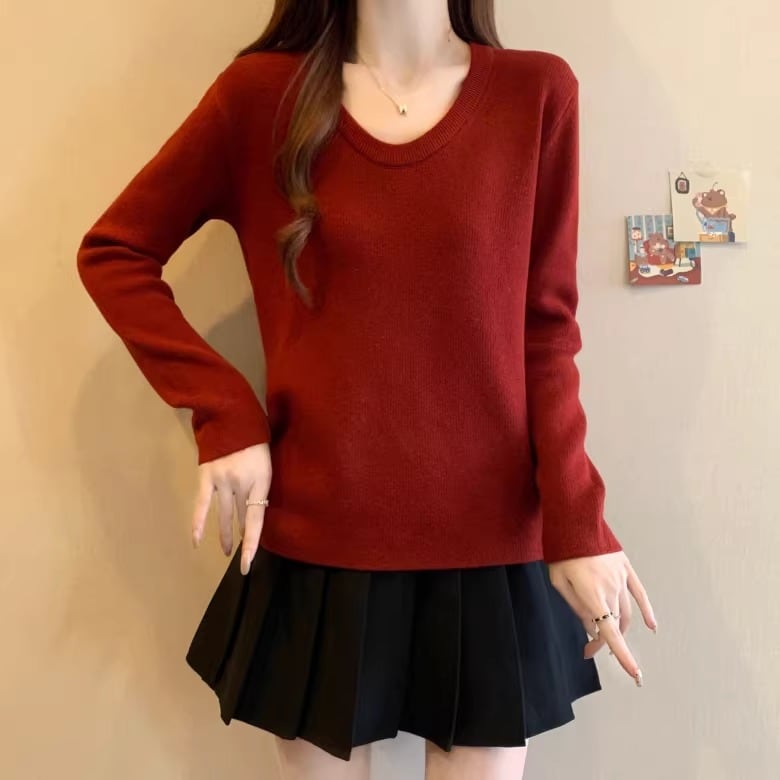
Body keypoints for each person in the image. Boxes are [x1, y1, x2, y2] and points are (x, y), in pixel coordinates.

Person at [76, 2, 658, 778]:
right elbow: (115, 253)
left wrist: (578, 522)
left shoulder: (537, 94)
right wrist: (224, 414)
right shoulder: (257, 99)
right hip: (318, 544)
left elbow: (546, 331)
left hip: (489, 546)